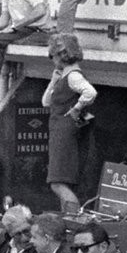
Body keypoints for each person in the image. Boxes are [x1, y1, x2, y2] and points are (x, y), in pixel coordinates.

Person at [42, 35, 98, 213]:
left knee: (57, 183)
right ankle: (68, 217)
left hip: (64, 132)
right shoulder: (65, 76)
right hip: (61, 131)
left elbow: (90, 92)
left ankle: (73, 218)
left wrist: (76, 108)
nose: (52, 60)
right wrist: (53, 81)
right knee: (62, 182)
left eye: (52, 56)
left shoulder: (73, 76)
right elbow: (46, 102)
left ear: (61, 55)